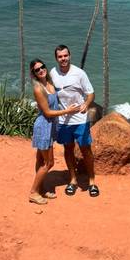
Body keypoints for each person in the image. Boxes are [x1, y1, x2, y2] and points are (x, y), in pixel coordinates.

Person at [29, 58, 81, 205]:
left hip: (50, 126)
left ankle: (40, 188)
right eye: (37, 70)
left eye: (42, 67)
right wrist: (67, 111)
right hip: (44, 126)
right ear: (33, 73)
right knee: (49, 162)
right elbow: (47, 112)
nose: (41, 70)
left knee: (40, 159)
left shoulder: (49, 84)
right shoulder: (38, 89)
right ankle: (33, 192)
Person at [50, 45, 99, 197]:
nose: (63, 59)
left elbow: (90, 93)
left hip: (80, 120)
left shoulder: (79, 74)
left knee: (86, 150)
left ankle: (92, 182)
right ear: (56, 58)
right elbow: (49, 91)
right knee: (68, 149)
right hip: (63, 120)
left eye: (65, 56)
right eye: (60, 56)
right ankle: (73, 180)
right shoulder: (53, 72)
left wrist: (86, 104)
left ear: (70, 56)